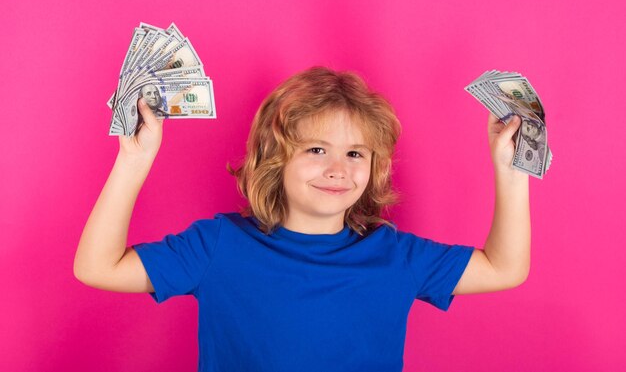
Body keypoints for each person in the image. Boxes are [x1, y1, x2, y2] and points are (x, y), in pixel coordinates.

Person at [74, 66, 531, 372]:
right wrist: (133, 160)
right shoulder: (218, 246)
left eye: (355, 153)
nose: (338, 168)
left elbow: (505, 267)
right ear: (276, 160)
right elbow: (97, 267)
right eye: (316, 150)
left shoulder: (396, 255)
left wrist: (511, 172)